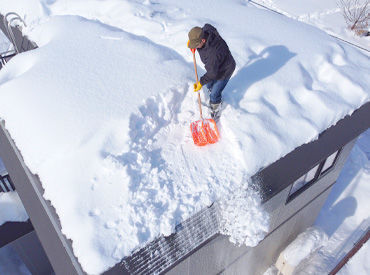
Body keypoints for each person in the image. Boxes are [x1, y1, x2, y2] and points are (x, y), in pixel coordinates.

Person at [188, 24, 235, 119]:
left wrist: (200, 82)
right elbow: (206, 26)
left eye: (196, 45)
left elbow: (212, 73)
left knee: (214, 93)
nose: (196, 47)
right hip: (216, 66)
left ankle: (216, 109)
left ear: (203, 40)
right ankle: (212, 90)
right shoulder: (206, 31)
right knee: (209, 84)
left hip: (225, 70)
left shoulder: (213, 53)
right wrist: (193, 45)